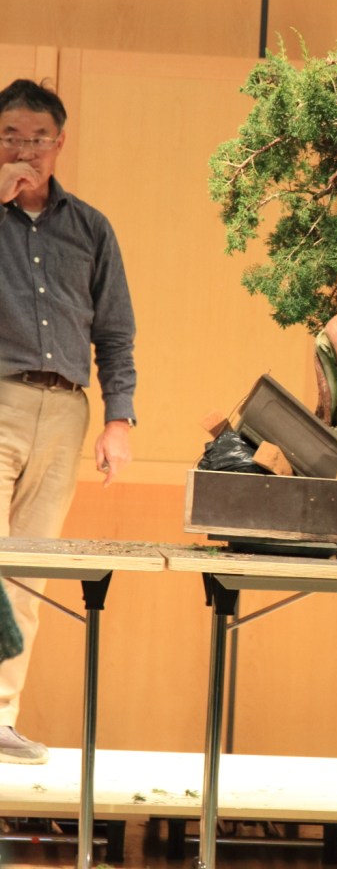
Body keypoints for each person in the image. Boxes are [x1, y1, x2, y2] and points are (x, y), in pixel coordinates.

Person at [0, 79, 136, 764]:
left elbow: (114, 333)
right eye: (10, 137)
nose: (24, 150)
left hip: (65, 411)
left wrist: (119, 420)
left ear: (60, 143)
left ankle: (0, 716)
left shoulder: (90, 228)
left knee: (28, 569)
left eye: (37, 138)